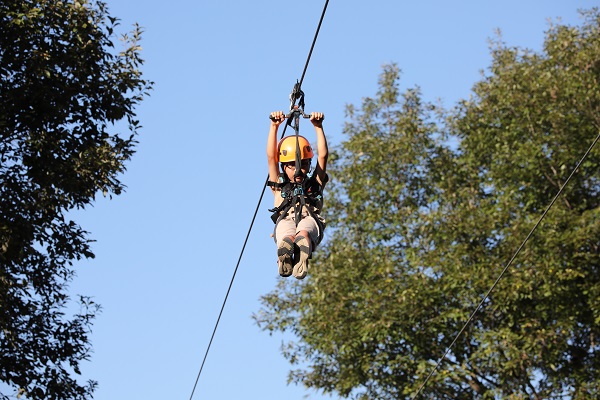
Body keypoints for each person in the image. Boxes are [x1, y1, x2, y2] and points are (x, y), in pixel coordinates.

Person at [266, 110, 328, 279]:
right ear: (284, 167)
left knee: (303, 234)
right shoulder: (279, 184)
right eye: (292, 166)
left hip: (310, 218)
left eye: (303, 164)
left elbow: (323, 156)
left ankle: (302, 253)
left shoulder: (315, 182)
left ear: (308, 164)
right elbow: (272, 157)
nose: (298, 169)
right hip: (285, 218)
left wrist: (318, 127)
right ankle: (285, 256)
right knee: (287, 237)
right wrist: (274, 127)